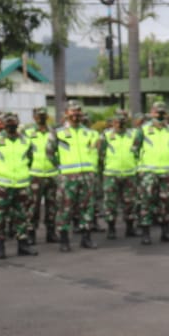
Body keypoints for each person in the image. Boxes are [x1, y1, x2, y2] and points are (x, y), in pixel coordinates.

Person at [0, 112, 37, 259]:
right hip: (2, 185)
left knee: (23, 217)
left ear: (17, 122)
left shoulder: (26, 141)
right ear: (3, 124)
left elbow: (30, 160)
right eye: (7, 122)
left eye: (13, 121)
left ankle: (23, 246)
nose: (10, 124)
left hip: (22, 184)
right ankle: (0, 247)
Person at [51, 101, 101, 251]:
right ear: (66, 113)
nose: (76, 114)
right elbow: (49, 153)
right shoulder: (57, 133)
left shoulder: (91, 133)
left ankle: (86, 239)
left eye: (78, 112)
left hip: (87, 176)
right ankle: (64, 240)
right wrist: (60, 169)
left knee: (87, 208)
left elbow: (98, 153)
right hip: (67, 177)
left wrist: (93, 170)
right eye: (72, 112)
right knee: (65, 209)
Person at [133, 102, 169, 245]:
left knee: (166, 204)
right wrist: (141, 167)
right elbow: (135, 149)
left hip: (166, 172)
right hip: (148, 172)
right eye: (157, 112)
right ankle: (146, 234)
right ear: (151, 113)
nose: (159, 115)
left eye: (162, 112)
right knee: (146, 203)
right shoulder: (143, 129)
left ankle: (165, 233)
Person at [101, 112, 139, 239]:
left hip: (130, 173)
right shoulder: (106, 135)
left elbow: (138, 150)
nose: (119, 124)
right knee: (110, 203)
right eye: (117, 122)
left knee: (130, 202)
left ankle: (130, 227)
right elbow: (100, 154)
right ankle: (111, 228)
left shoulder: (133, 134)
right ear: (112, 123)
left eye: (122, 122)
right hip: (111, 174)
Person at [25, 106, 58, 243]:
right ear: (34, 117)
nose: (42, 118)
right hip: (34, 175)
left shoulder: (54, 132)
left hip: (52, 174)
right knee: (33, 206)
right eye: (39, 116)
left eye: (44, 115)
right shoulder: (27, 133)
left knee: (52, 206)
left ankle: (51, 232)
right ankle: (31, 233)